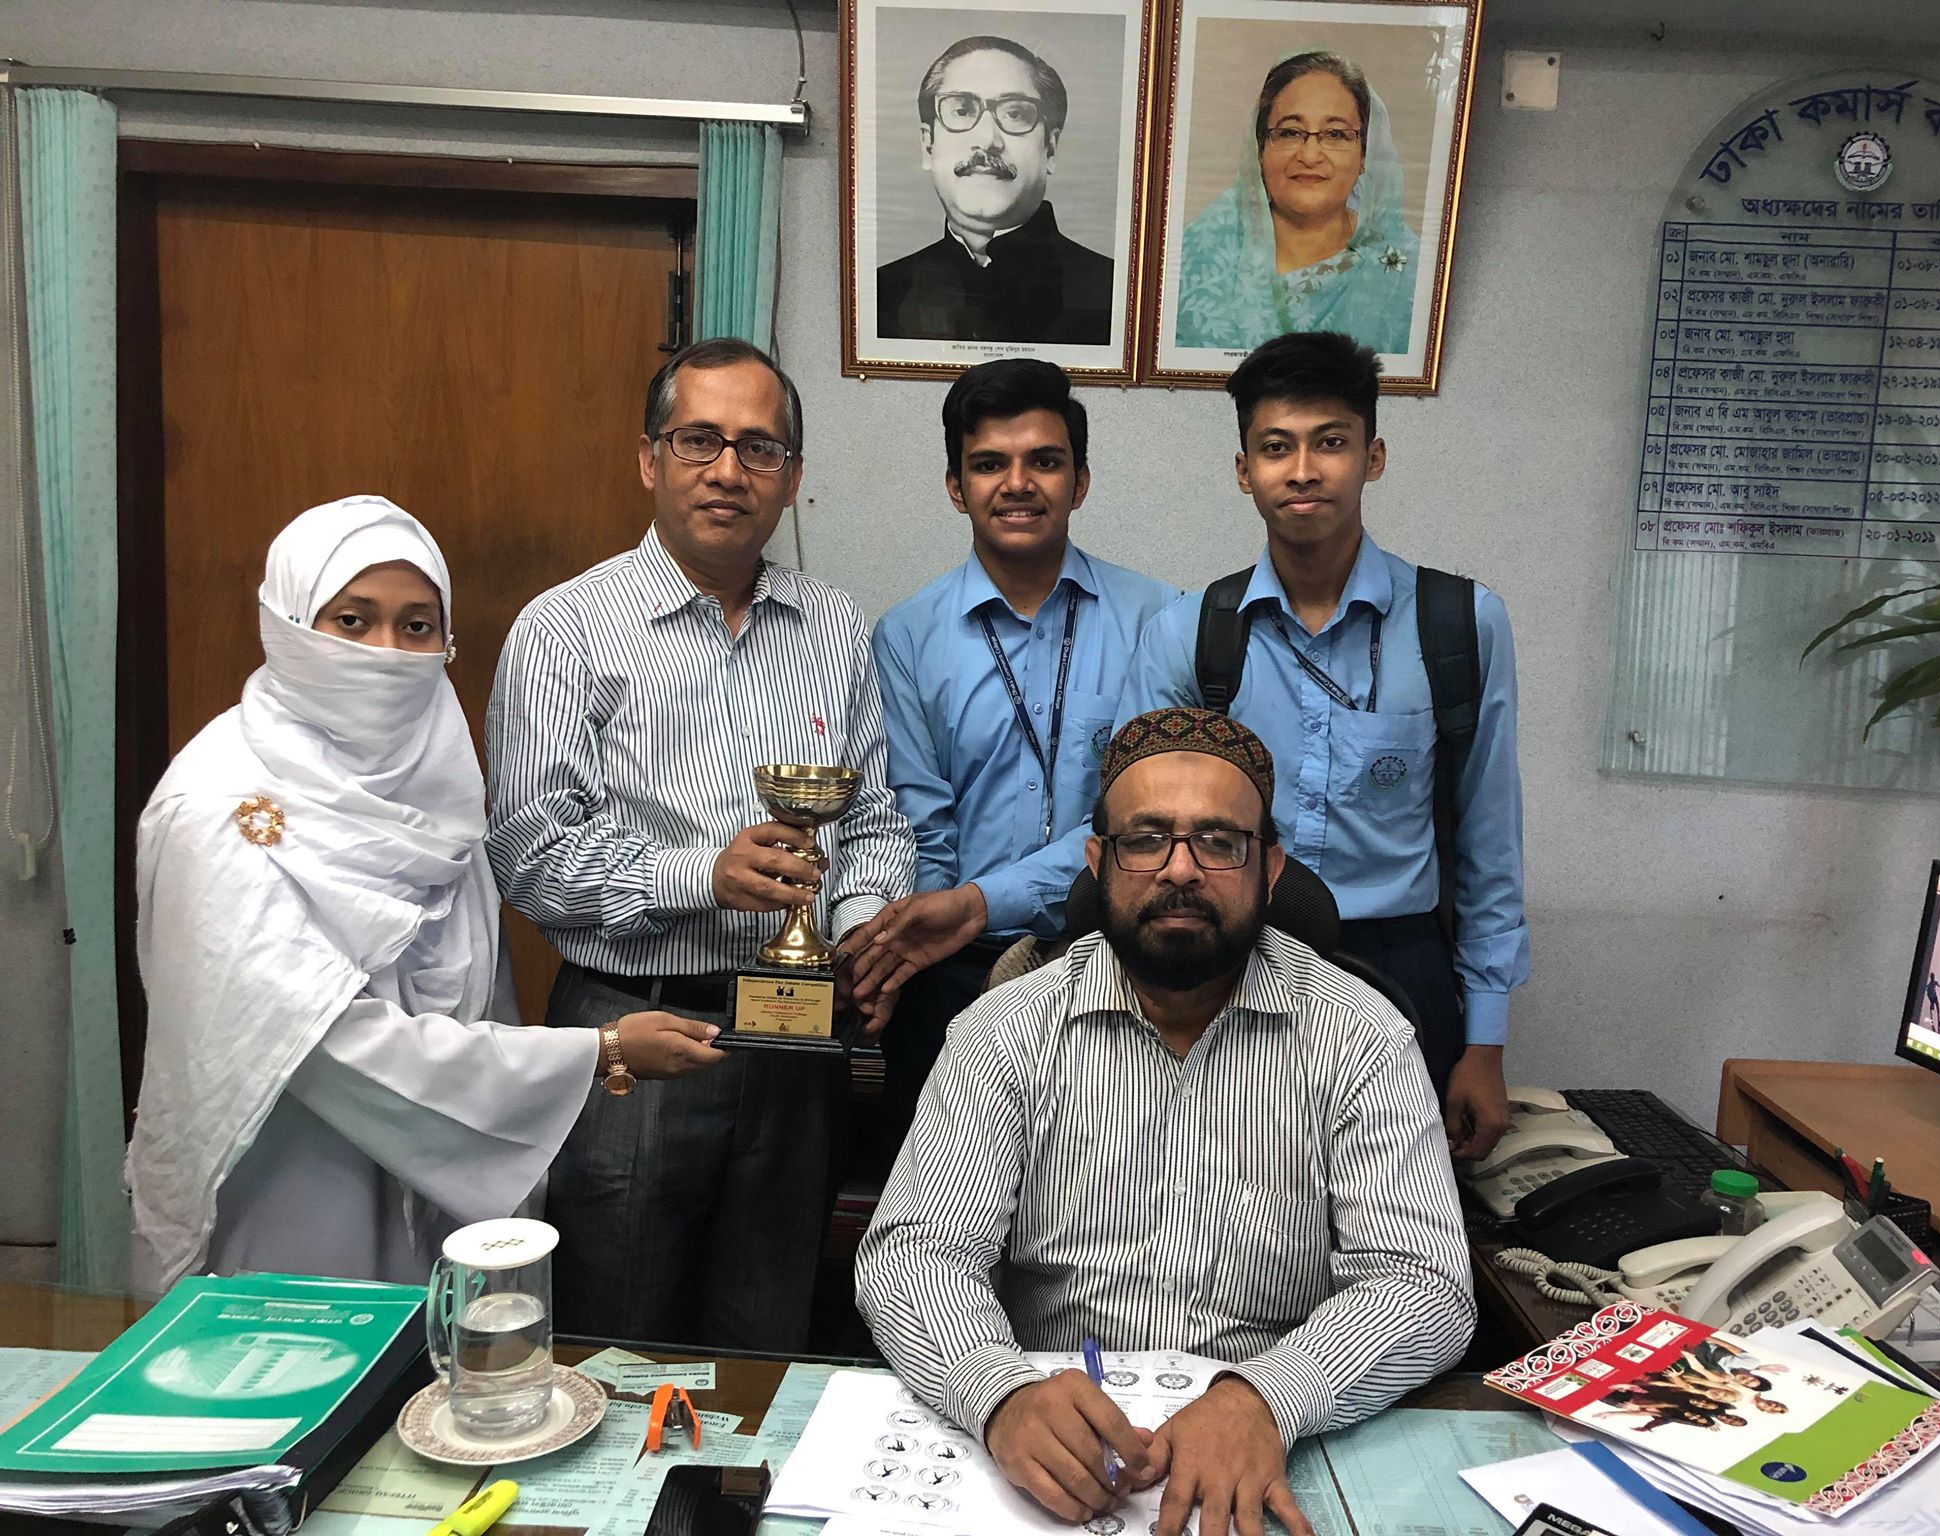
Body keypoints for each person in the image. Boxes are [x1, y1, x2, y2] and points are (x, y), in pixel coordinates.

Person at [856, 708, 1473, 1533]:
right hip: (1052, 1442)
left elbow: (1424, 1284)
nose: (1180, 870)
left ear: (1270, 867)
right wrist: (995, 1391)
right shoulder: (1005, 1030)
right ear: (1097, 862)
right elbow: (913, 1254)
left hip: (1276, 1441)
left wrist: (1266, 1396)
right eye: (1145, 839)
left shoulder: (1360, 1036)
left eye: (1219, 842)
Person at [126, 497, 721, 1293]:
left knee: (447, 1390)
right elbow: (324, 1045)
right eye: (351, 621)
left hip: (446, 1187)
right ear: (288, 627)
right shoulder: (214, 805)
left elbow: (476, 997)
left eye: (415, 628)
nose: (386, 653)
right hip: (289, 1183)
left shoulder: (436, 790)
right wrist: (597, 1051)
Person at [485, 338, 916, 1351]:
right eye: (700, 441)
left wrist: (859, 930)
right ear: (649, 459)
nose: (730, 470)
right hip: (637, 1038)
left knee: (764, 1341)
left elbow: (871, 820)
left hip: (799, 1043)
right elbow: (531, 859)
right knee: (618, 1339)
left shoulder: (835, 628)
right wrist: (705, 876)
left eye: (759, 448)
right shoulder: (566, 630)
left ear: (793, 478)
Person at [1119, 331, 1526, 1161]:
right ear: (1244, 471)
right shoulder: (1190, 633)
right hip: (1235, 962)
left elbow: (1490, 841)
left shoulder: (1459, 624)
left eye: (1329, 442)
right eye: (1275, 448)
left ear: (1372, 456)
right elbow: (1142, 833)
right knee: (1227, 1213)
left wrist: (1484, 1042)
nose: (1303, 469)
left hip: (1403, 963)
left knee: (1394, 1222)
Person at [846, 359, 1177, 1139]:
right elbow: (920, 825)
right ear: (957, 487)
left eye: (1045, 461)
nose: (1017, 483)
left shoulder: (1160, 621)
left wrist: (980, 901)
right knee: (941, 1220)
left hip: (1119, 973)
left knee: (1108, 1224)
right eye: (990, 463)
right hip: (949, 974)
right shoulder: (906, 636)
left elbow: (1141, 824)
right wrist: (913, 938)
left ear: (1081, 481)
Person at [1175, 52, 1420, 354]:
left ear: (1364, 156)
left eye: (1336, 134)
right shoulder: (1198, 255)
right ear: (1260, 150)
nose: (1310, 155)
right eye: (1290, 132)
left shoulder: (1409, 270)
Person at [877, 35, 1114, 345]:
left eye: (1015, 114)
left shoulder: (1109, 291)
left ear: (1050, 149)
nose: (988, 139)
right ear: (927, 145)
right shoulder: (884, 292)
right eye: (962, 110)